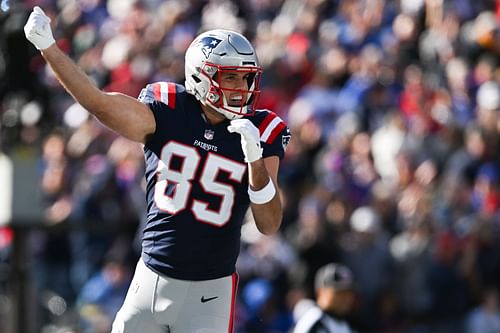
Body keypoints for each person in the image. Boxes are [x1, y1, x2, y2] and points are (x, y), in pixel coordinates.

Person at [24, 6, 291, 333]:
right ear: (200, 77)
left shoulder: (261, 130)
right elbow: (99, 103)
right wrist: (49, 48)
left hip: (211, 293)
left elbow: (269, 223)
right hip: (151, 280)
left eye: (246, 77)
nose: (242, 87)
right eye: (230, 77)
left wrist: (255, 161)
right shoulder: (168, 108)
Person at [293, 263, 356, 333]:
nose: (345, 298)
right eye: (339, 293)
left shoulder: (350, 323)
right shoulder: (314, 323)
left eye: (348, 292)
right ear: (320, 292)